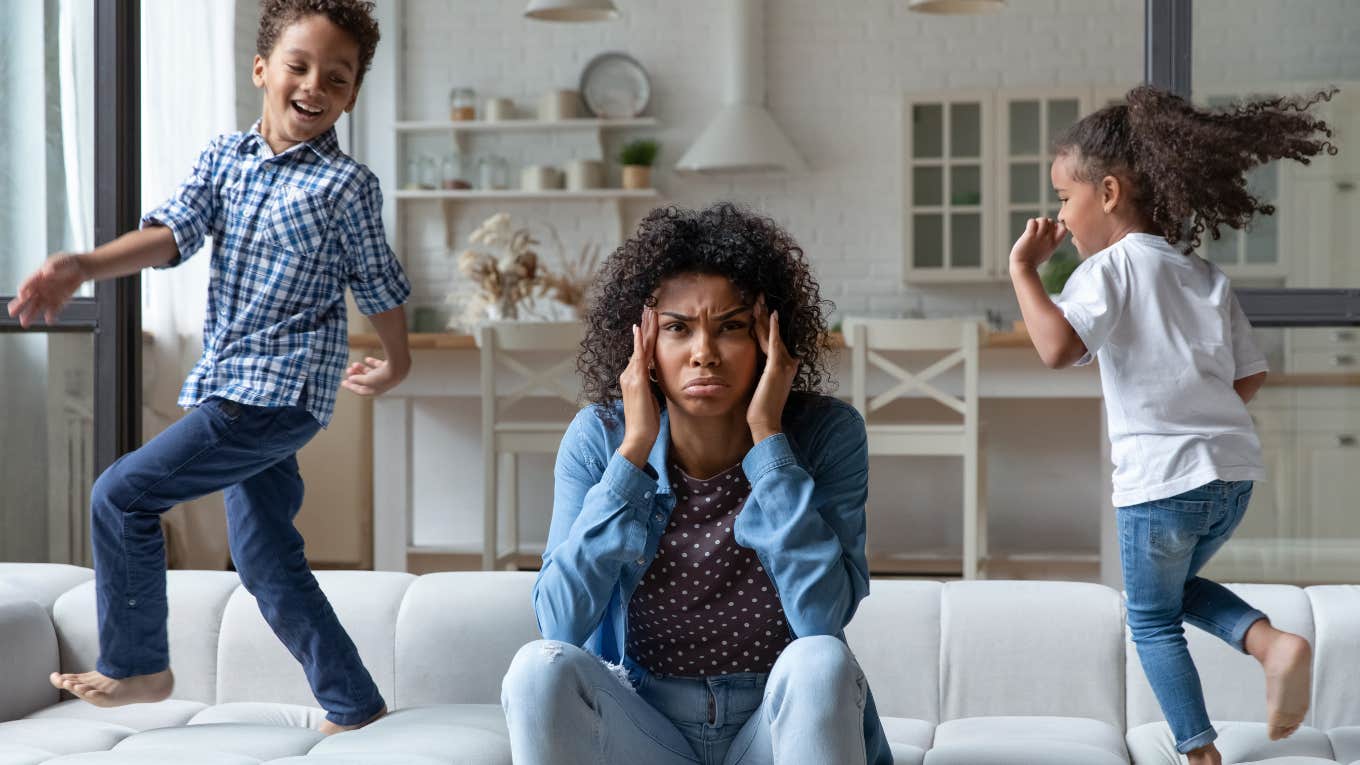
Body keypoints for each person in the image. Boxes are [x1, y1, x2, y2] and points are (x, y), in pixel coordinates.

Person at [7, 0, 410, 734]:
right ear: (262, 70)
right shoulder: (225, 159)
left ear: (352, 94)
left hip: (278, 392)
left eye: (337, 76)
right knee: (265, 561)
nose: (314, 85)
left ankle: (138, 665)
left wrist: (396, 360)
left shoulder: (346, 186)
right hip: (231, 381)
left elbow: (378, 281)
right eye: (298, 65)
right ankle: (355, 705)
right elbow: (169, 235)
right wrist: (83, 265)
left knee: (121, 495)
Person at [1007, 85, 1337, 764]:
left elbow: (1055, 348)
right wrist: (1198, 413)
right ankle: (1270, 643)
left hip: (1160, 482)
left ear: (1107, 192)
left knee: (1151, 616)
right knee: (1173, 589)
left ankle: (1198, 753)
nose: (1060, 218)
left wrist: (1022, 270)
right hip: (1231, 479)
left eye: (1065, 198)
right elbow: (1249, 375)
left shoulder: (1110, 270)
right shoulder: (1201, 273)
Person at [500, 203, 892, 765]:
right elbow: (559, 622)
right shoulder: (599, 439)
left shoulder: (829, 433)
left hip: (775, 727)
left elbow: (820, 618)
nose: (704, 353)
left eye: (731, 327)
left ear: (768, 340)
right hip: (646, 726)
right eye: (678, 329)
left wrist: (768, 440)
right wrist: (632, 453)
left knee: (820, 660)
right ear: (645, 348)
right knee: (538, 668)